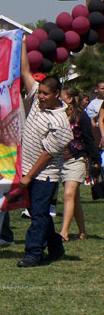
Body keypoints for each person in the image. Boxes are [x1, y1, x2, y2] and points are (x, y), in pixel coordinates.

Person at [17, 40, 73, 268]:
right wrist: (21, 44)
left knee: (38, 214)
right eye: (39, 92)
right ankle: (56, 247)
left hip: (43, 174)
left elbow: (47, 155)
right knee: (36, 211)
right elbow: (25, 71)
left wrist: (28, 176)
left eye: (45, 94)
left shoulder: (61, 123)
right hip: (28, 170)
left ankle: (34, 253)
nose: (39, 97)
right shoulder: (37, 101)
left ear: (57, 94)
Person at [60, 86, 100, 241]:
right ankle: (82, 231)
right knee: (74, 197)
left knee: (68, 194)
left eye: (62, 96)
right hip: (62, 159)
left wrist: (96, 160)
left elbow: (89, 139)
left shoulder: (81, 117)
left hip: (77, 158)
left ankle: (64, 233)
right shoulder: (59, 115)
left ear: (69, 99)